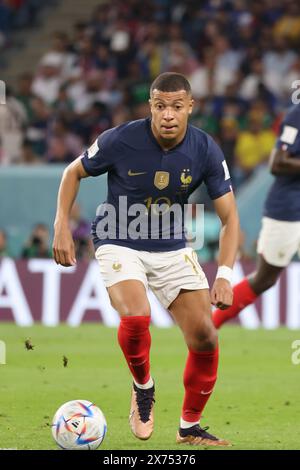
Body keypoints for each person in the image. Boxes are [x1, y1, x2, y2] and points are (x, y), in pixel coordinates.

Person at [53, 72, 239, 446]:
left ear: (190, 107)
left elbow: (230, 217)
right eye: (159, 106)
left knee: (205, 336)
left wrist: (225, 274)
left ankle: (189, 427)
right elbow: (73, 172)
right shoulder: (121, 139)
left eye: (175, 106)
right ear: (150, 106)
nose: (167, 115)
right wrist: (61, 225)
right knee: (137, 316)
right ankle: (143, 388)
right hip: (118, 238)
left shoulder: (205, 149)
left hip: (171, 246)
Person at [213, 104, 300, 329]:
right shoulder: (296, 115)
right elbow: (277, 163)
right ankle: (210, 325)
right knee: (265, 278)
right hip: (288, 211)